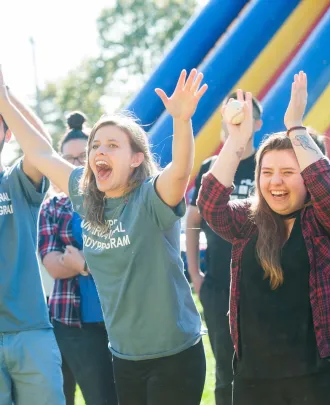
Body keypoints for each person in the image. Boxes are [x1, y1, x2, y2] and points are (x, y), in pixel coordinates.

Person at [0, 67, 208, 405]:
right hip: (125, 356)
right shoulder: (85, 198)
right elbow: (41, 154)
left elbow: (181, 171)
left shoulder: (152, 198)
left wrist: (182, 121)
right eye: (96, 145)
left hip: (175, 354)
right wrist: (3, 98)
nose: (100, 151)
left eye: (113, 145)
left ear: (136, 158)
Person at [197, 71, 330, 405]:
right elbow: (210, 203)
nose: (276, 182)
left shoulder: (320, 219)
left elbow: (328, 191)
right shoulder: (247, 220)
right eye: (267, 172)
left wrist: (295, 126)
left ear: (305, 178)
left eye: (288, 173)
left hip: (318, 377)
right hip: (253, 379)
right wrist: (237, 140)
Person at [186, 92, 262, 405]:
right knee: (226, 372)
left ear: (256, 124)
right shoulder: (210, 168)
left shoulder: (267, 163)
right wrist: (196, 276)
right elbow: (192, 221)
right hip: (218, 286)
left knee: (264, 366)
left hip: (263, 283)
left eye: (244, 117)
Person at [39, 111, 118, 405]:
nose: (73, 166)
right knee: (99, 398)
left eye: (79, 157)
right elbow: (52, 265)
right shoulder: (53, 207)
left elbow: (124, 255)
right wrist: (88, 263)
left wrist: (83, 263)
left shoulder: (115, 199)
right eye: (66, 159)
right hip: (75, 324)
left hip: (120, 318)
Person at [0, 89, 64, 404]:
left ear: (8, 133)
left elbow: (42, 149)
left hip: (29, 329)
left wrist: (3, 94)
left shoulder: (15, 182)